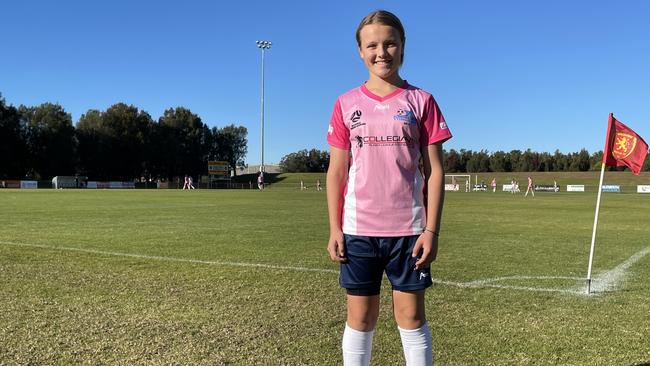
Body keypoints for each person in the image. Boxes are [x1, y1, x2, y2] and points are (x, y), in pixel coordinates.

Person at [326, 10, 452, 366]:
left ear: (403, 47)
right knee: (360, 320)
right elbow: (337, 171)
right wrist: (335, 228)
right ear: (360, 52)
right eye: (372, 45)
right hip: (358, 230)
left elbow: (435, 172)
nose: (382, 52)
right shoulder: (345, 104)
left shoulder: (422, 101)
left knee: (411, 318)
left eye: (390, 43)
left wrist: (431, 230)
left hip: (409, 232)